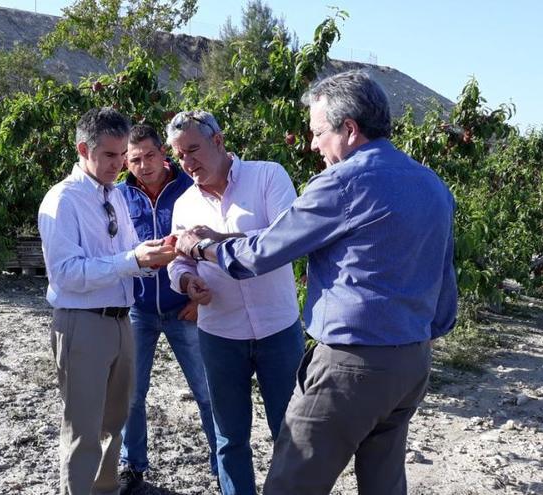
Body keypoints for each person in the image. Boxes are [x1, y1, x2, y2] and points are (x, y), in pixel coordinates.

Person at [179, 71, 458, 495]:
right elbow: (444, 284)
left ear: (349, 130)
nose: (312, 145)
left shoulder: (342, 183)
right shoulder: (431, 184)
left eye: (318, 133)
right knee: (383, 482)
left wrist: (202, 248)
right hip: (411, 362)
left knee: (291, 483)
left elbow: (258, 255)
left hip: (351, 366)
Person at [38, 108, 177, 495]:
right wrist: (133, 260)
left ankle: (104, 488)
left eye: (122, 155)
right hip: (82, 323)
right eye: (111, 156)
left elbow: (127, 253)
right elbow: (66, 273)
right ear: (84, 149)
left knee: (113, 421)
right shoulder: (62, 200)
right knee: (83, 426)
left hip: (120, 320)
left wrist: (151, 256)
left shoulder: (113, 194)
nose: (119, 165)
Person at [165, 111, 304, 495]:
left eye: (193, 149)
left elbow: (284, 239)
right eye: (179, 156)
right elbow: (179, 259)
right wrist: (188, 281)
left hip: (278, 329)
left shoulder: (267, 176)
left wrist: (217, 240)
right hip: (220, 332)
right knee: (229, 437)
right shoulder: (184, 204)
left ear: (219, 141)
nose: (188, 162)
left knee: (290, 431)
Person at [115, 124, 218, 494]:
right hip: (139, 309)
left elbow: (205, 244)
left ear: (164, 153)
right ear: (126, 161)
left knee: (207, 392)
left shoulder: (190, 189)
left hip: (184, 307)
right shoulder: (119, 195)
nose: (143, 165)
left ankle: (222, 465)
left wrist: (194, 297)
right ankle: (132, 467)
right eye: (135, 159)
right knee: (131, 393)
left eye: (150, 156)